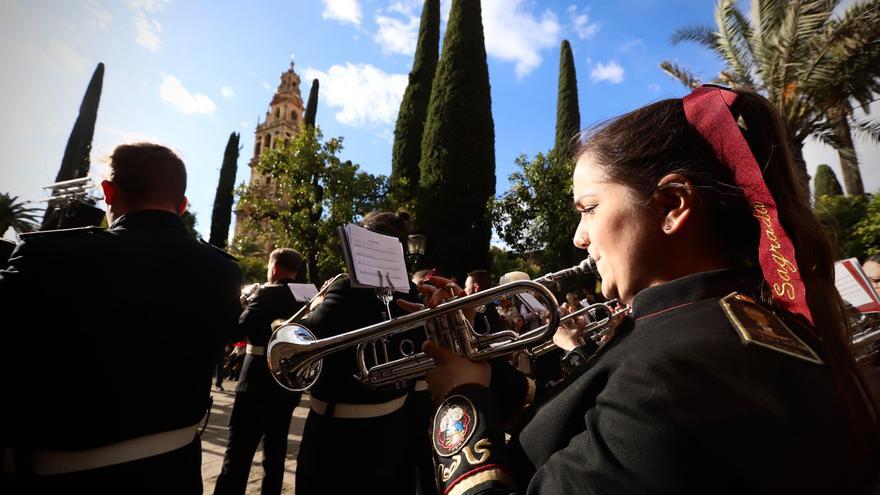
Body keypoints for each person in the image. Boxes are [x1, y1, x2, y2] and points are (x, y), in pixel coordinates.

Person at [414, 86, 880, 494]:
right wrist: (491, 382)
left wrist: (461, 404)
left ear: (672, 205)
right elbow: (594, 411)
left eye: (590, 208)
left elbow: (633, 403)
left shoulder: (673, 368)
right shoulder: (728, 321)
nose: (579, 237)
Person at [0, 143, 242, 493]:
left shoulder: (44, 254)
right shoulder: (224, 271)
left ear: (108, 193)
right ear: (183, 205)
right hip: (177, 473)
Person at [294, 211, 421, 495]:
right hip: (394, 432)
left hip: (338, 437)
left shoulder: (345, 286)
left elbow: (307, 334)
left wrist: (316, 307)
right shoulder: (412, 292)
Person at [214, 248, 305, 495]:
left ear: (274, 268)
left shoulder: (266, 294)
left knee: (238, 454)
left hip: (256, 382)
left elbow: (236, 332)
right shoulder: (308, 296)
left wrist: (241, 304)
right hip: (288, 384)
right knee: (275, 456)